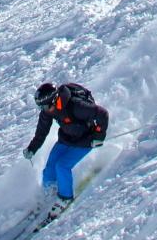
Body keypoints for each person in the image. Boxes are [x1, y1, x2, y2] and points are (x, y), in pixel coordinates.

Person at [24, 80, 110, 208]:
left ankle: (65, 198)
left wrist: (99, 136)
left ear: (54, 101)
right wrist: (32, 148)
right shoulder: (48, 110)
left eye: (45, 107)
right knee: (49, 169)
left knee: (62, 166)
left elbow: (102, 114)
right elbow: (41, 132)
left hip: (86, 139)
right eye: (41, 107)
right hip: (67, 138)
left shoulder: (76, 106)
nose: (44, 110)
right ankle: (50, 192)